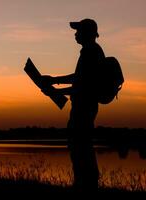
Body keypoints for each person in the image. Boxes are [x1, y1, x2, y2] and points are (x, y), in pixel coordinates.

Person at [41, 18, 105, 193]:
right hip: (84, 106)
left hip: (84, 108)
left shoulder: (91, 52)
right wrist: (54, 81)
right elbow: (78, 78)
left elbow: (82, 84)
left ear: (87, 33)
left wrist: (56, 90)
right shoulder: (90, 51)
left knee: (80, 147)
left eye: (78, 31)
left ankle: (85, 186)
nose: (75, 34)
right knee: (81, 146)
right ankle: (85, 184)